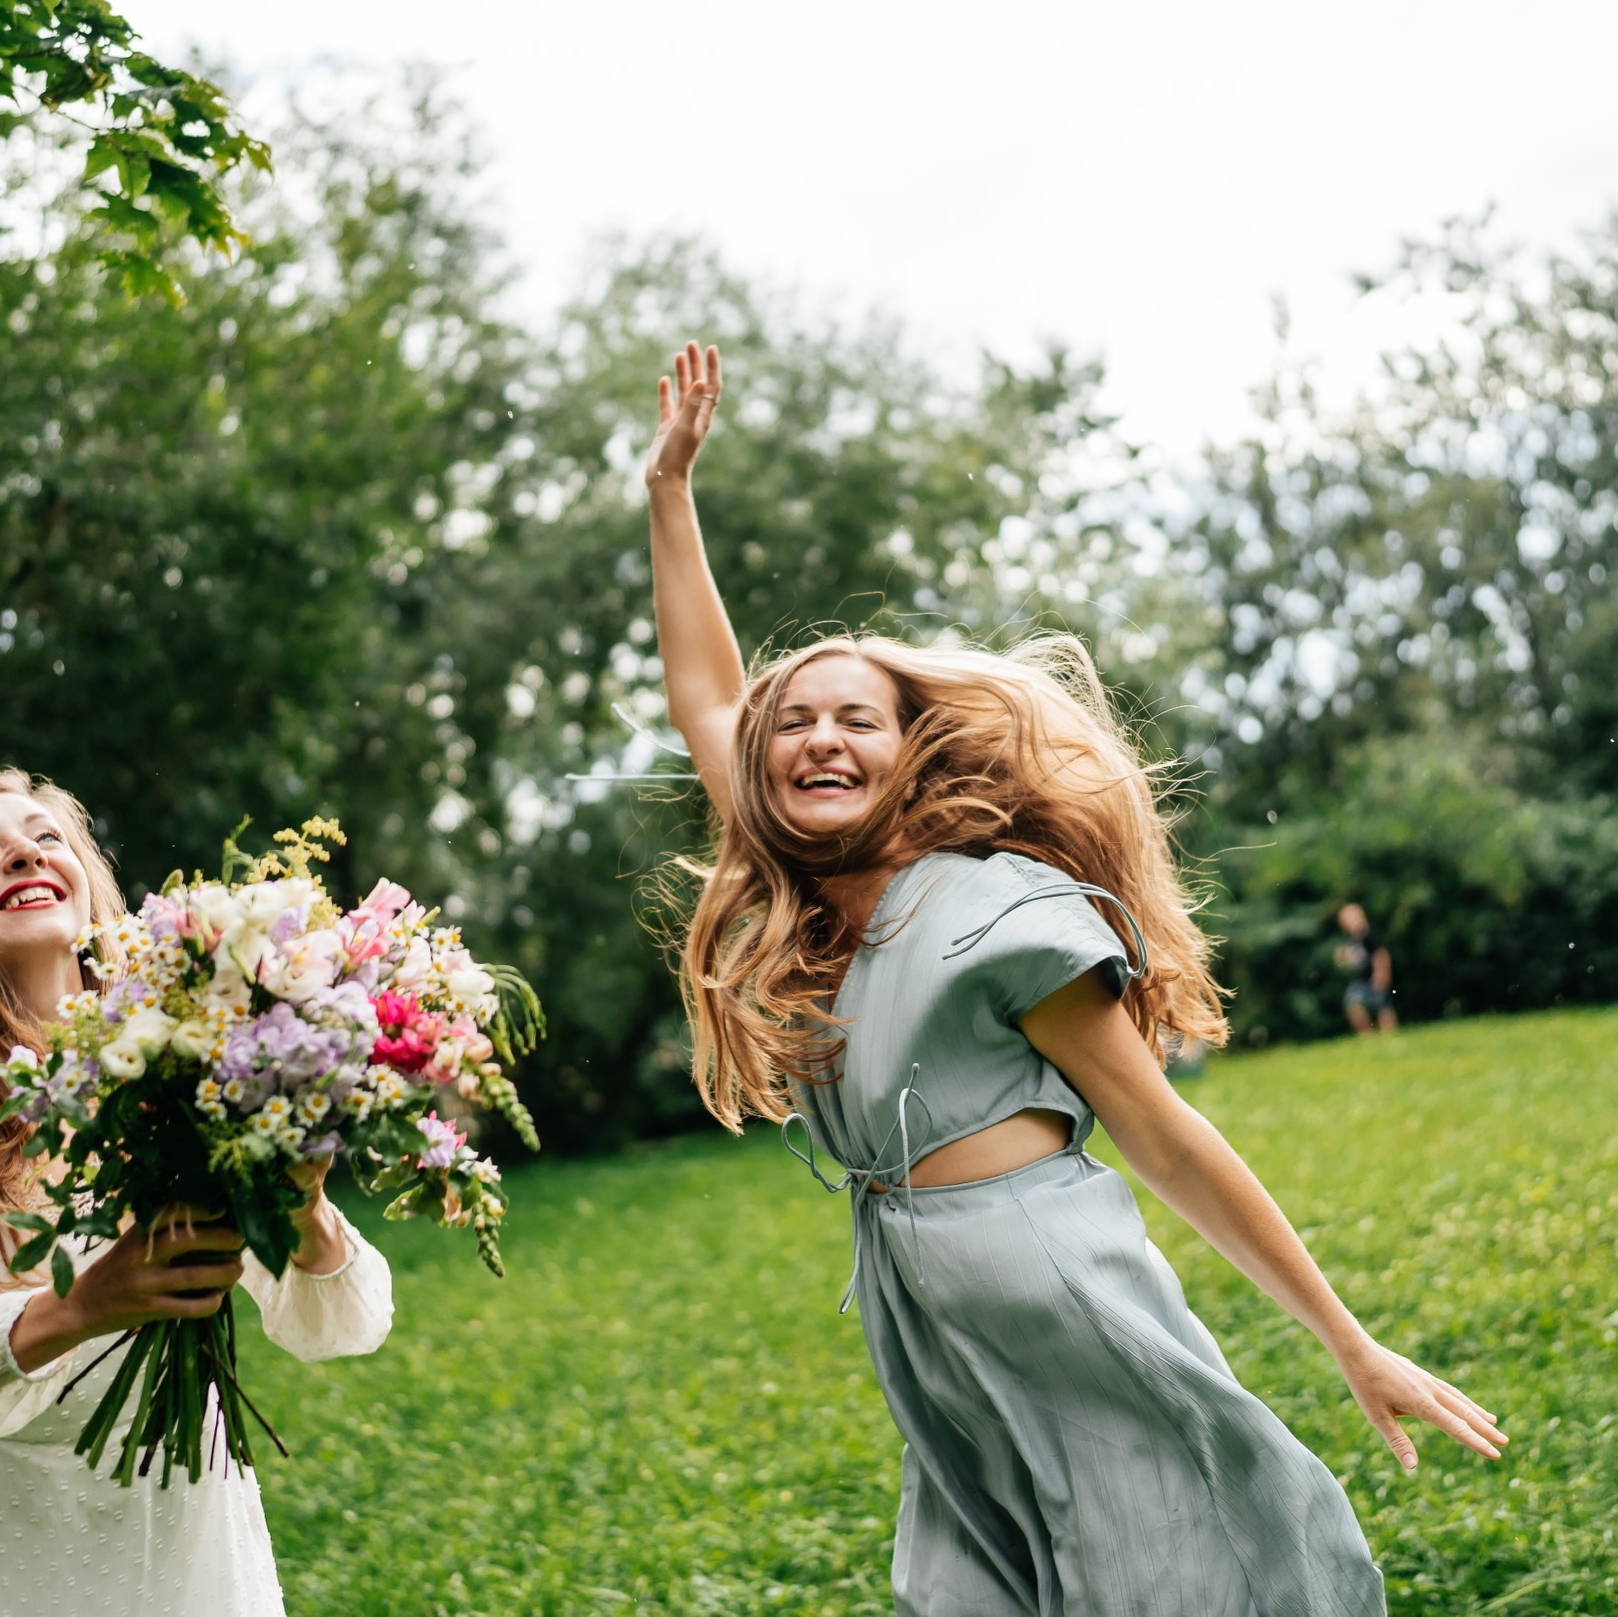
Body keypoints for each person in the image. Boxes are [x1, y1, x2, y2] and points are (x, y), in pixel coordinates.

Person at [643, 342, 1503, 1616]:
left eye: (854, 720)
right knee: (983, 1581)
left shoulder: (992, 910)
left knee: (1164, 1561)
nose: (816, 736)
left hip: (1052, 1282)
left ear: (909, 753)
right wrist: (670, 490)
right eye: (794, 725)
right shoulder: (810, 899)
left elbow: (1164, 1137)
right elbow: (707, 694)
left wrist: (1347, 1339)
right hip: (925, 1307)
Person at [0, 770, 393, 1617]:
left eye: (46, 836)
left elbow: (344, 1327)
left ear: (88, 898)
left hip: (190, 1542)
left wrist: (298, 1209)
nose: (21, 849)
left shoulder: (190, 1060)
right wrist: (76, 1306)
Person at [1333, 903, 1397, 1035]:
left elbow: (1380, 953)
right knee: (1353, 1005)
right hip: (1361, 980)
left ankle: (1390, 1035)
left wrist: (1382, 973)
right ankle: (1367, 1034)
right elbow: (1353, 958)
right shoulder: (1352, 939)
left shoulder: (1368, 934)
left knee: (1382, 1007)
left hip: (1374, 977)